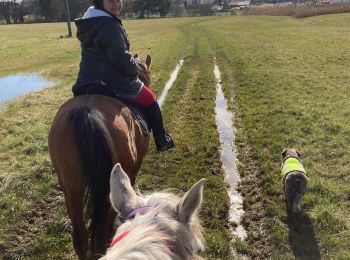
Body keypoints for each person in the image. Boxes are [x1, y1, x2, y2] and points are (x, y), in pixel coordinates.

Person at [73, 0, 174, 152]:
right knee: (150, 100)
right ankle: (161, 140)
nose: (116, 4)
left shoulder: (88, 22)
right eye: (111, 1)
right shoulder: (109, 25)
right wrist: (135, 69)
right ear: (101, 2)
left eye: (118, 0)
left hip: (85, 80)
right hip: (112, 81)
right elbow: (119, 57)